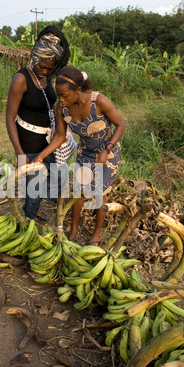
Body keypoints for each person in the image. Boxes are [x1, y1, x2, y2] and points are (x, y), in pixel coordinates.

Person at [52, 66, 126, 245]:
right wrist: (42, 155)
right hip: (85, 151)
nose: (61, 100)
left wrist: (107, 150)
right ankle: (74, 228)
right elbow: (60, 136)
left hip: (107, 152)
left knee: (100, 193)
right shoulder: (61, 109)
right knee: (79, 192)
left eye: (64, 95)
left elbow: (121, 124)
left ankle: (97, 233)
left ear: (78, 90)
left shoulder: (98, 101)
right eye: (58, 95)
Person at [5, 26, 70, 221]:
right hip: (28, 141)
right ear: (34, 58)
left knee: (51, 178)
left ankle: (34, 209)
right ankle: (27, 222)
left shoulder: (47, 77)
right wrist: (19, 153)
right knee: (33, 184)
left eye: (50, 69)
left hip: (47, 140)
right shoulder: (21, 79)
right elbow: (9, 117)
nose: (45, 71)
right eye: (42, 66)